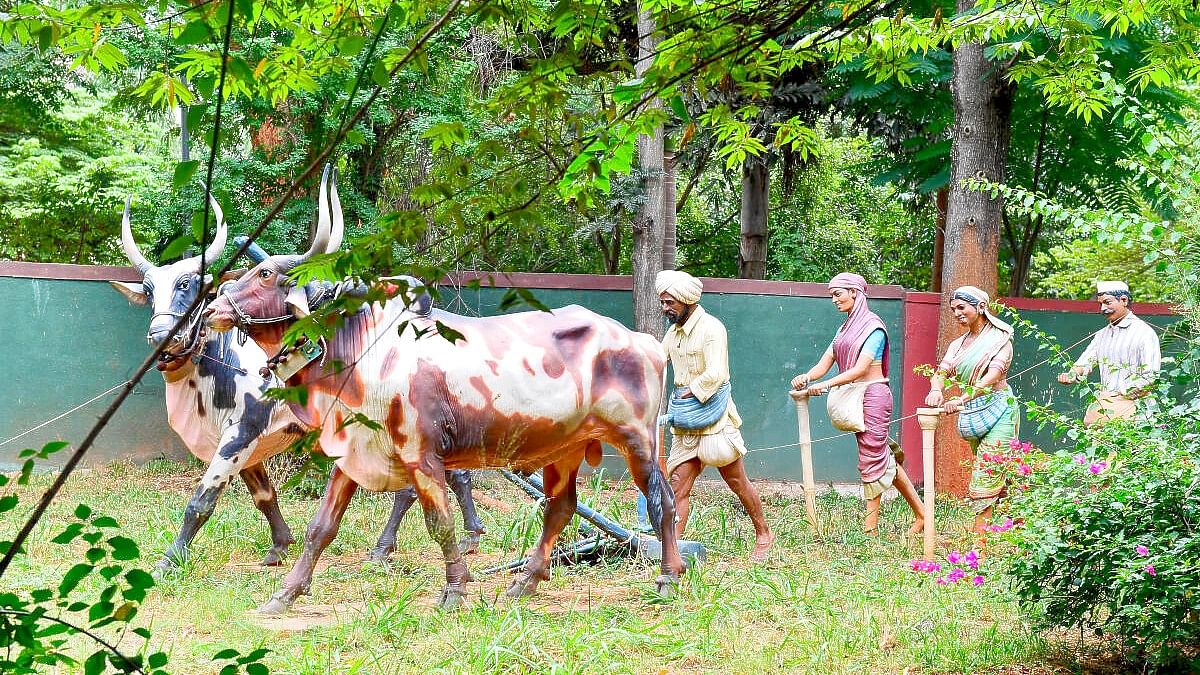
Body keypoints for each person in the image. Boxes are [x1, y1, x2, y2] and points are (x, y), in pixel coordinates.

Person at [790, 272, 924, 536]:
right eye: (832, 295)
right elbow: (825, 362)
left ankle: (870, 528)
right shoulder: (844, 330)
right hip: (854, 397)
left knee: (871, 460)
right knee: (879, 458)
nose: (834, 300)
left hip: (873, 395)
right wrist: (807, 377)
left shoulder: (873, 327)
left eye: (837, 294)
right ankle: (922, 514)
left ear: (854, 292)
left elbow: (862, 368)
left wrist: (828, 384)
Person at [655, 270, 774, 561]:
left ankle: (763, 533)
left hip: (715, 420)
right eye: (663, 302)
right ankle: (672, 552)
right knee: (678, 486)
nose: (665, 308)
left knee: (736, 482)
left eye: (670, 302)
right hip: (685, 423)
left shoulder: (712, 328)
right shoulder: (672, 334)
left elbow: (717, 373)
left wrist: (690, 391)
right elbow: (658, 360)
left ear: (686, 300)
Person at [923, 286, 1018, 535]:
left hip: (1000, 410)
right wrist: (936, 390)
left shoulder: (1001, 338)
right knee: (1004, 475)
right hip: (973, 413)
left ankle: (979, 545)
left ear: (981, 307)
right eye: (953, 309)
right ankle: (1021, 527)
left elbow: (993, 375)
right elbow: (941, 373)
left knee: (987, 472)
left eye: (962, 307)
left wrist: (962, 398)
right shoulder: (957, 344)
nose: (957, 313)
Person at [1058, 281, 1162, 426]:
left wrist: (1120, 395)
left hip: (1138, 416)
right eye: (1100, 304)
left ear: (1124, 300)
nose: (1103, 309)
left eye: (1107, 303)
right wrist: (1071, 374)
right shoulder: (1102, 335)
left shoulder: (1144, 333)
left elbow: (1151, 377)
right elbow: (1085, 362)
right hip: (1105, 412)